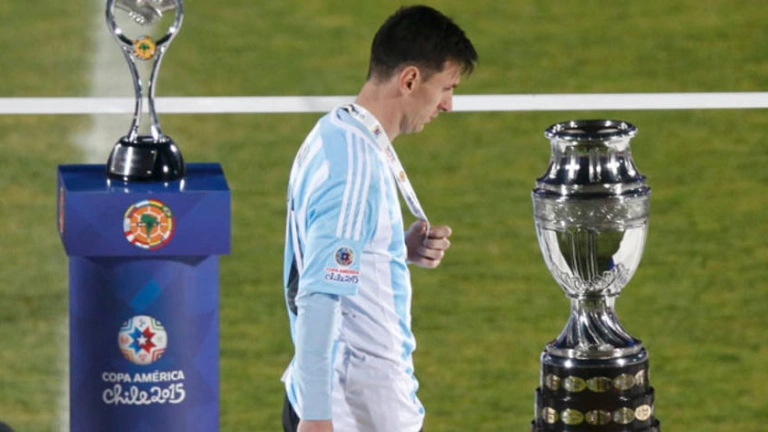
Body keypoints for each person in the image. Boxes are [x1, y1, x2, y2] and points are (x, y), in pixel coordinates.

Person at [281, 5, 477, 432]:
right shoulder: (355, 169)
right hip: (355, 411)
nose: (447, 105)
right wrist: (317, 418)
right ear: (409, 80)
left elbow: (323, 253)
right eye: (446, 88)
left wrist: (391, 249)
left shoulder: (333, 133)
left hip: (340, 400)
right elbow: (318, 297)